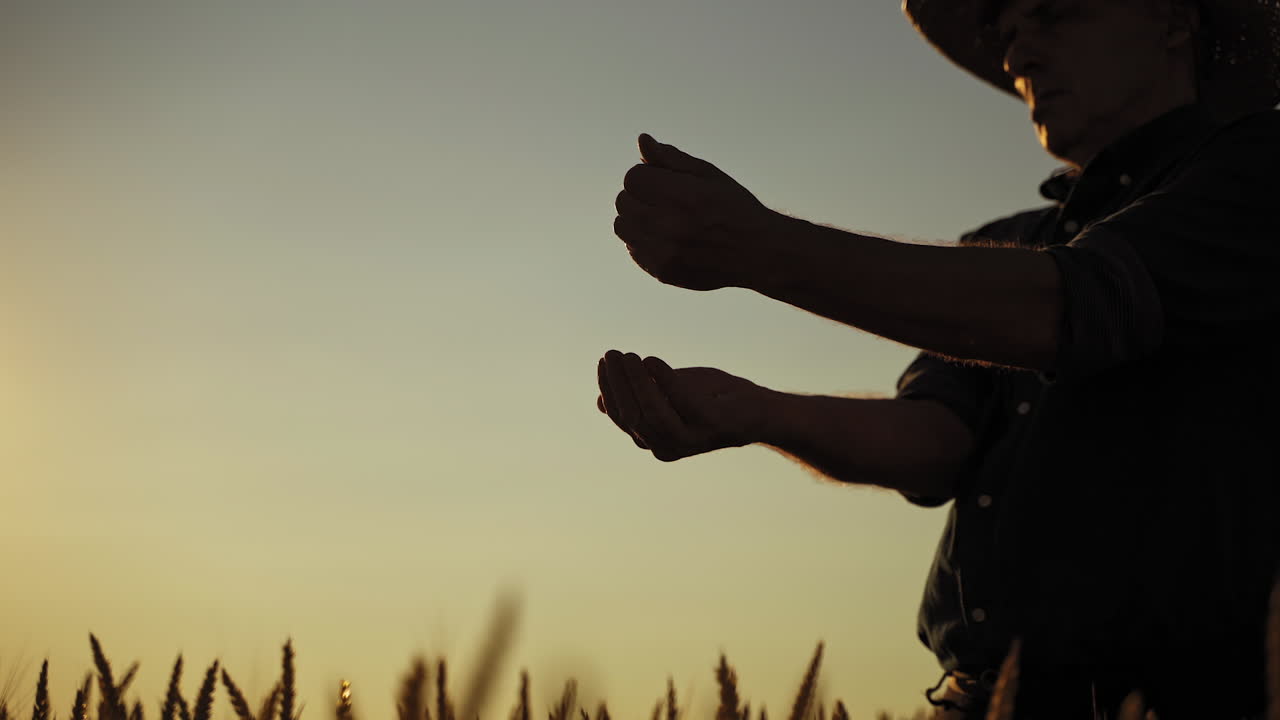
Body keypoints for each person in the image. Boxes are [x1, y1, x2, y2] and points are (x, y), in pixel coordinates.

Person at [596, 0, 1280, 718]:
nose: (1019, 56)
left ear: (1172, 18)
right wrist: (755, 411)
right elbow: (937, 440)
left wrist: (760, 247)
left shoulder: (1262, 169)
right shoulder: (1008, 244)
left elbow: (1072, 304)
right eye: (1009, 33)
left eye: (1051, 14)